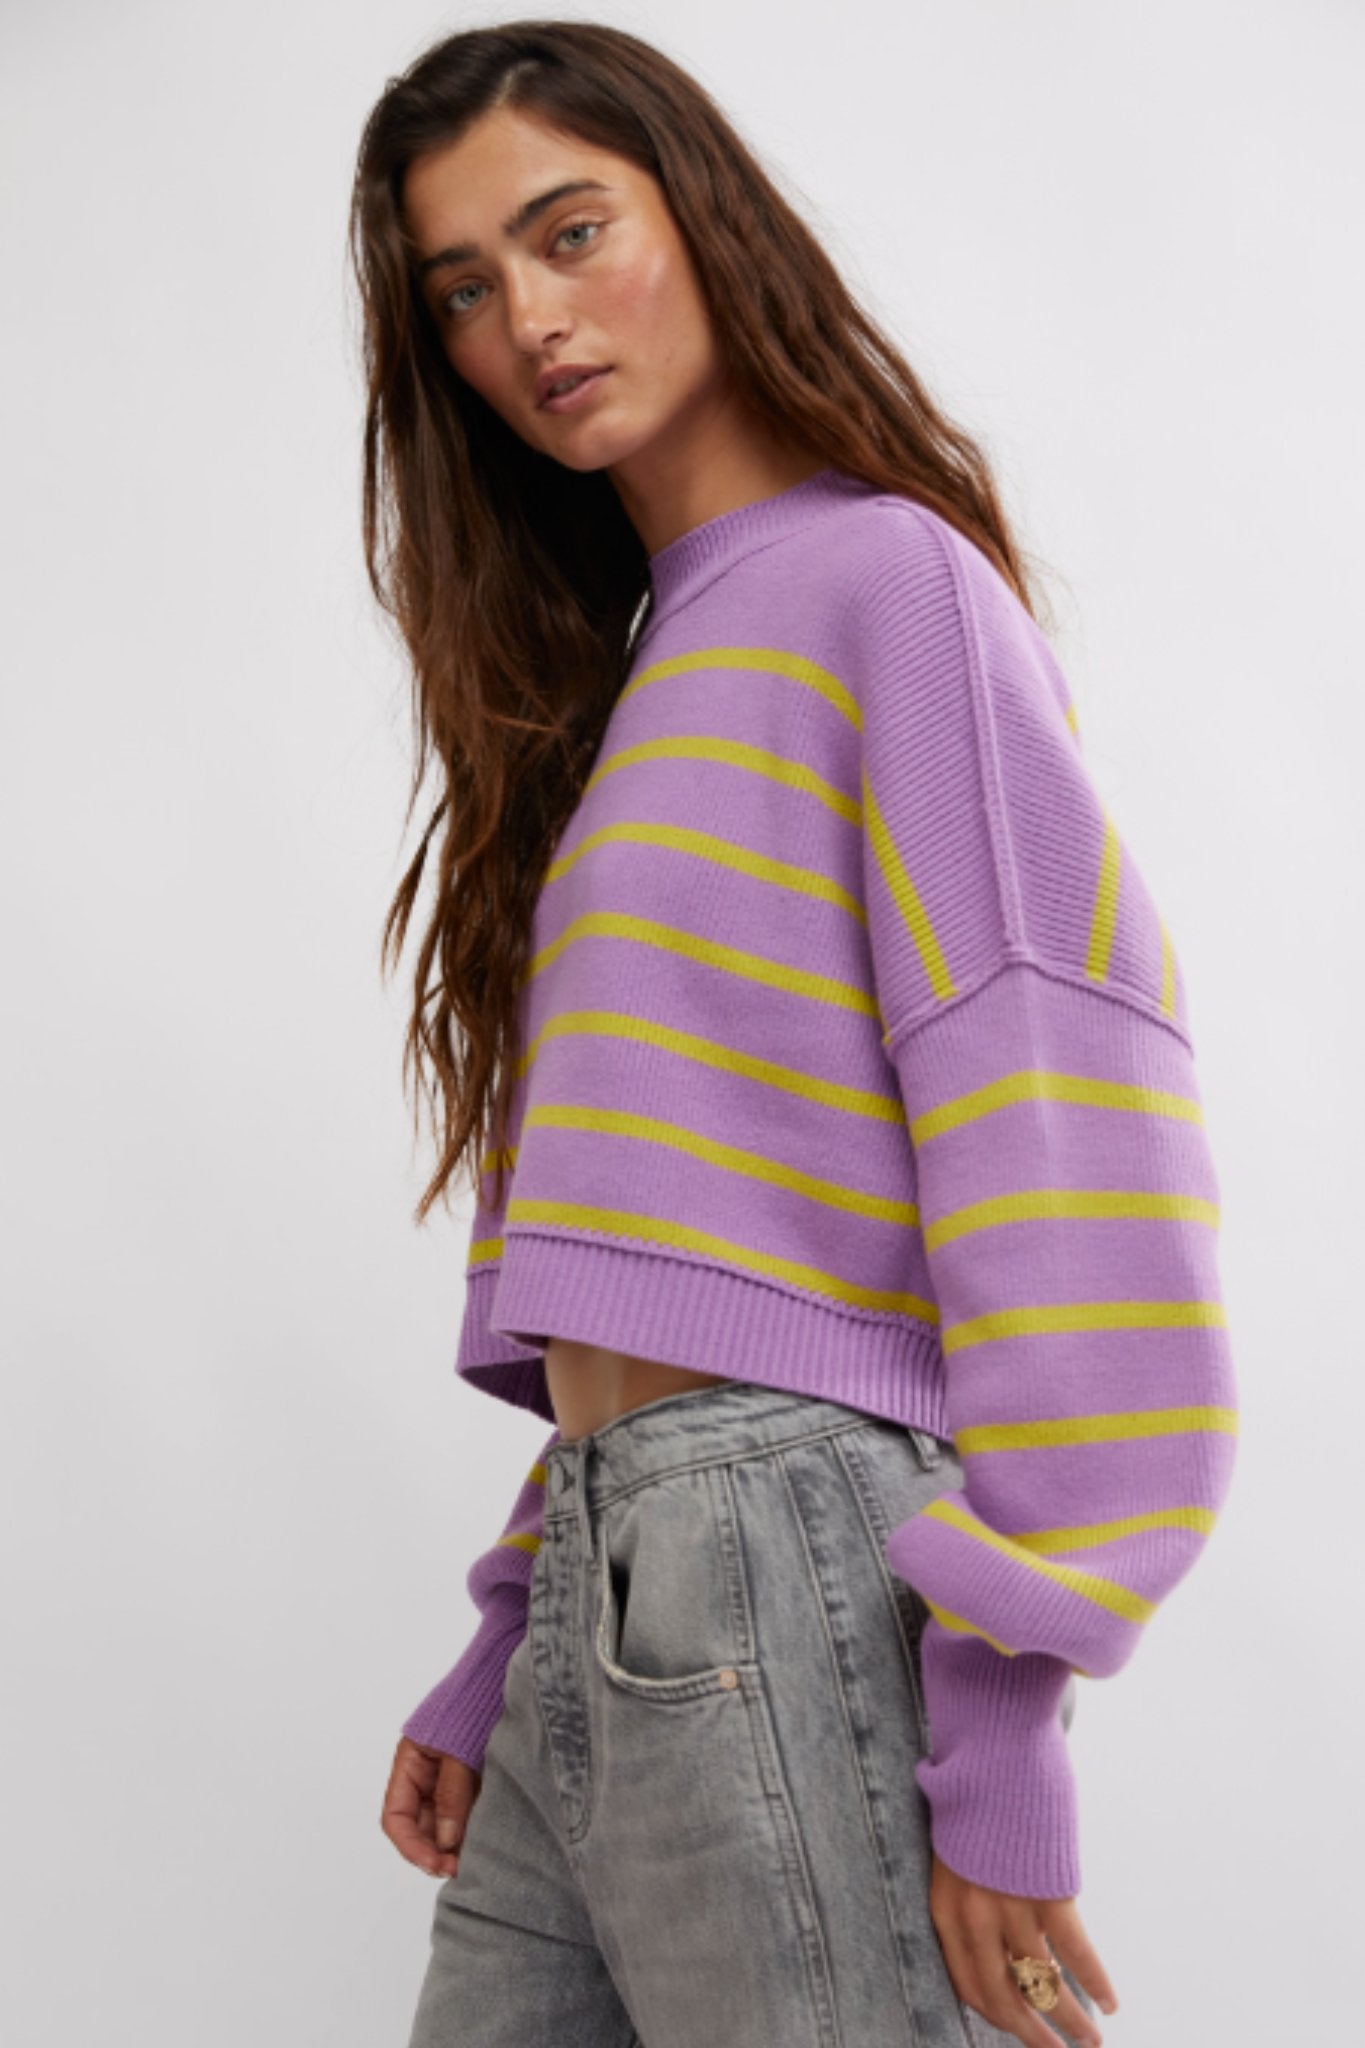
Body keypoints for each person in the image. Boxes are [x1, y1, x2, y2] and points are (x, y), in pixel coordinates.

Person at [350, 21, 1238, 2048]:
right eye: (463, 290)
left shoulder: (884, 586)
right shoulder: (644, 668)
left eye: (570, 232)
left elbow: (1061, 1123)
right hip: (613, 1589)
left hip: (777, 1557)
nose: (527, 321)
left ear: (702, 215)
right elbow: (687, 1237)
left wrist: (1002, 1707)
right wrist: (516, 1626)